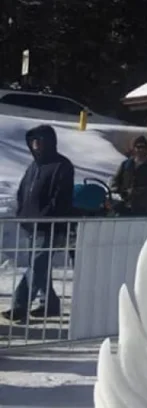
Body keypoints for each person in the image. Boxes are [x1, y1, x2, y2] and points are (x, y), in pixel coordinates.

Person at [2, 125, 74, 322]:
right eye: (33, 141)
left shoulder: (62, 165)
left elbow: (61, 198)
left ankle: (19, 305)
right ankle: (49, 305)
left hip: (50, 225)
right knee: (40, 266)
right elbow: (23, 191)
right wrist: (21, 212)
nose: (35, 144)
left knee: (37, 266)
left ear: (48, 141)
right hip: (31, 224)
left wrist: (47, 216)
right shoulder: (33, 166)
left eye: (39, 140)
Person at [109, 136, 147, 216]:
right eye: (138, 147)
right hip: (125, 204)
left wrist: (136, 192)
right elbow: (116, 179)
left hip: (143, 206)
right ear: (134, 148)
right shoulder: (126, 164)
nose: (140, 150)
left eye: (143, 147)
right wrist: (118, 190)